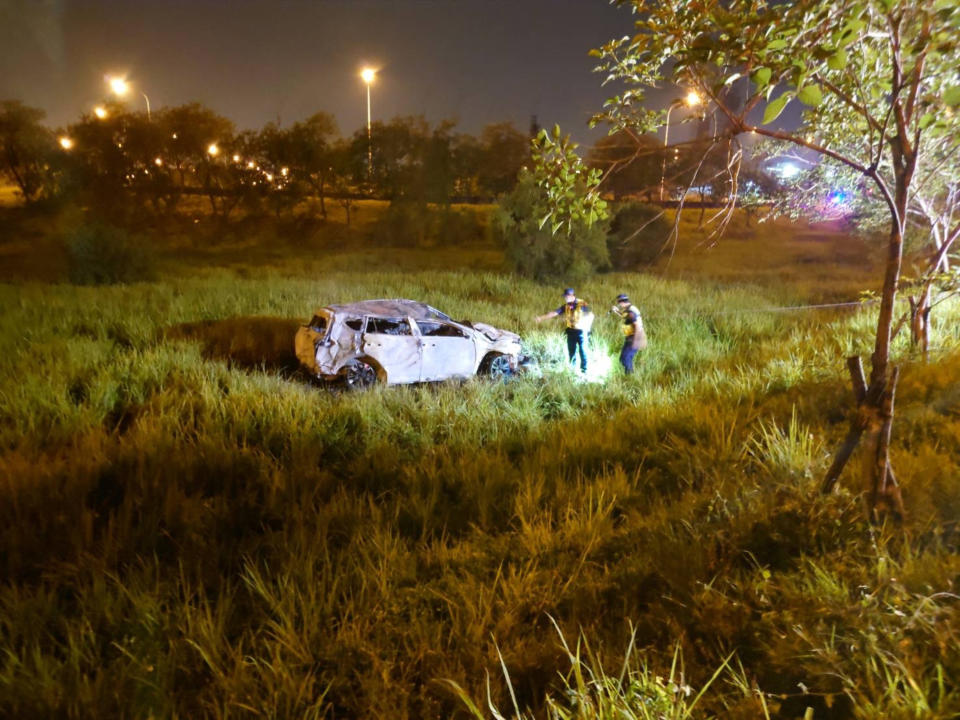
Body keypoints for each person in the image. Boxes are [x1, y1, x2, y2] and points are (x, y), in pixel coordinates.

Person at [535, 287, 594, 374]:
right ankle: (572, 371)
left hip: (582, 332)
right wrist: (541, 318)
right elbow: (554, 313)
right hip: (571, 332)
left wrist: (587, 326)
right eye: (565, 297)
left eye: (567, 296)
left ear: (572, 296)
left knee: (583, 351)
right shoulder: (566, 306)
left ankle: (584, 372)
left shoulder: (582, 304)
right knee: (571, 352)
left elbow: (591, 315)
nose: (565, 298)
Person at [612, 293, 646, 374]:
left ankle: (629, 376)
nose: (619, 305)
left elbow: (637, 325)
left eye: (619, 303)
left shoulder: (631, 312)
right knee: (623, 358)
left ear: (622, 302)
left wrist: (635, 340)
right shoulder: (629, 309)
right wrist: (617, 311)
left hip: (634, 337)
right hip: (631, 337)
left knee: (625, 358)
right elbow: (626, 317)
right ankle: (629, 374)